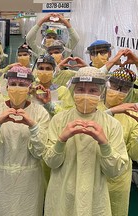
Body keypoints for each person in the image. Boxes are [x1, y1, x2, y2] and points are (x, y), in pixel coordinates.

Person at [43, 66, 129, 216]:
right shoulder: (59, 120)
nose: (86, 95)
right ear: (73, 90)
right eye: (81, 89)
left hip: (94, 199)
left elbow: (114, 171)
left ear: (101, 92)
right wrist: (61, 140)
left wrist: (104, 144)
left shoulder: (111, 125)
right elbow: (51, 162)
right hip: (61, 195)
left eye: (93, 91)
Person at [0, 65, 50, 215]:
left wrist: (32, 125)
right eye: (13, 84)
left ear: (30, 87)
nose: (17, 88)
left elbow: (40, 152)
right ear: (6, 86)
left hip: (29, 180)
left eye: (22, 85)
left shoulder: (39, 112)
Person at [103, 67, 138, 216]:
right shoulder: (92, 108)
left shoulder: (131, 116)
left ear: (129, 91)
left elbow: (135, 154)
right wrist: (110, 112)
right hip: (94, 175)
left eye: (123, 88)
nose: (117, 91)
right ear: (106, 84)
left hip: (118, 180)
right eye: (114, 85)